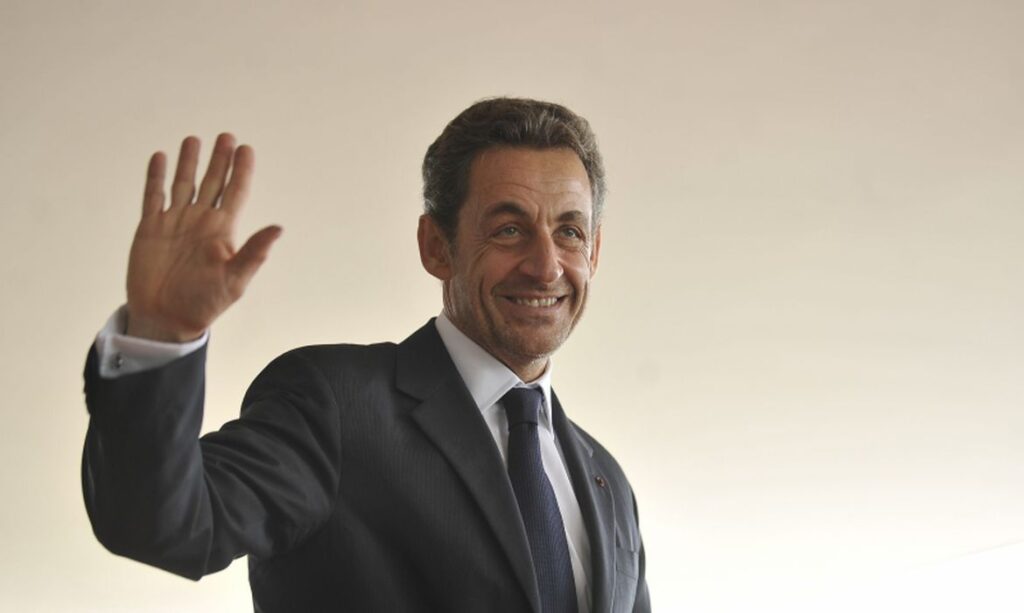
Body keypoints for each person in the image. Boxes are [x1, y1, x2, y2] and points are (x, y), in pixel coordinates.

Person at [83, 97, 650, 613]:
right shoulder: (334, 405)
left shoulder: (607, 482)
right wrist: (160, 334)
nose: (546, 266)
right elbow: (161, 522)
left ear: (595, 251)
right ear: (436, 247)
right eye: (508, 230)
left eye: (570, 232)